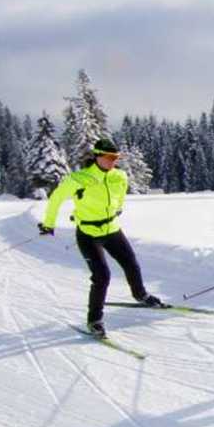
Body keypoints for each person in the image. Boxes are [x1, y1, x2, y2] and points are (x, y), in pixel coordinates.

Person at [40, 138, 162, 338]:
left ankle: (140, 295)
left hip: (112, 229)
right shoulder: (79, 179)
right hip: (88, 234)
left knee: (131, 264)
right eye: (109, 157)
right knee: (102, 276)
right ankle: (94, 320)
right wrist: (49, 223)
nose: (113, 161)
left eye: (116, 157)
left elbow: (120, 195)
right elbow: (56, 199)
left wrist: (117, 209)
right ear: (97, 156)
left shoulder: (119, 176)